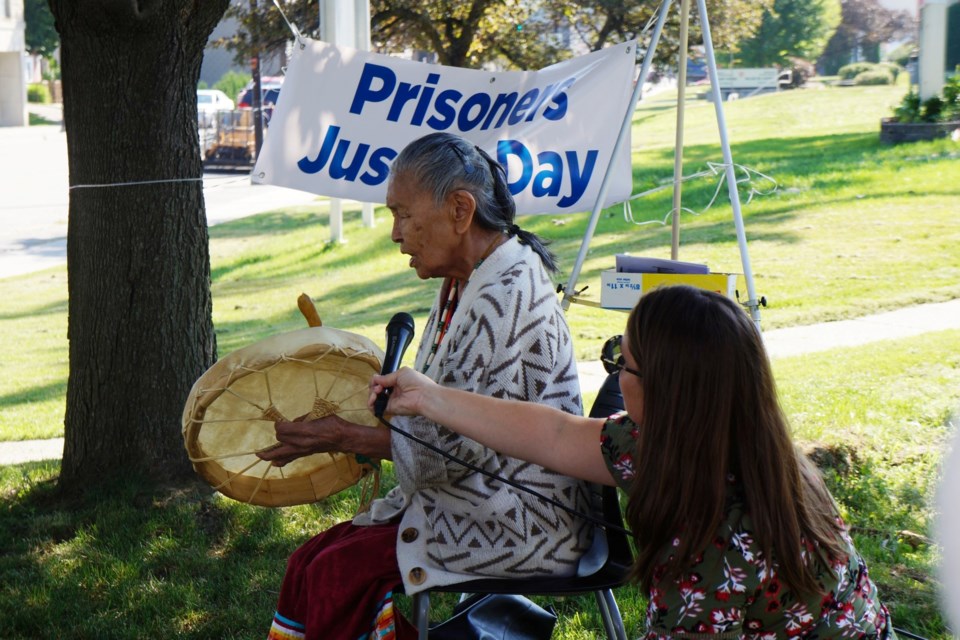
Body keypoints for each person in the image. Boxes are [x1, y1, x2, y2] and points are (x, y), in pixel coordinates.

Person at [371, 285, 896, 639]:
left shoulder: (712, 548)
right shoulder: (723, 443)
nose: (618, 375)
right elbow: (555, 434)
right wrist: (429, 397)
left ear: (669, 392)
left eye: (624, 362)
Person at [257, 132, 594, 640]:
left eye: (403, 214)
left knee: (336, 573)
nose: (396, 234)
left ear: (460, 210)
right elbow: (438, 429)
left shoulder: (505, 292)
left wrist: (342, 436)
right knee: (310, 559)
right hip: (477, 496)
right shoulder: (466, 280)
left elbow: (447, 454)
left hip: (525, 519)